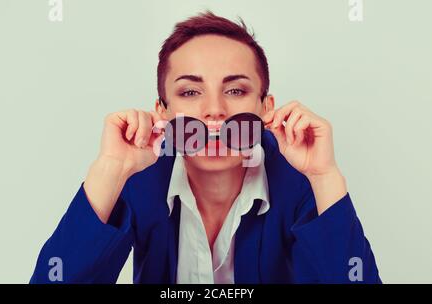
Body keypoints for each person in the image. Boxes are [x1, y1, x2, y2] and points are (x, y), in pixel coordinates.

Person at [30, 11, 381, 284]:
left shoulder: (299, 181)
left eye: (235, 90)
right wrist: (109, 170)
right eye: (190, 92)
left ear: (266, 107)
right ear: (162, 112)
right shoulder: (139, 177)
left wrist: (325, 176)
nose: (214, 110)